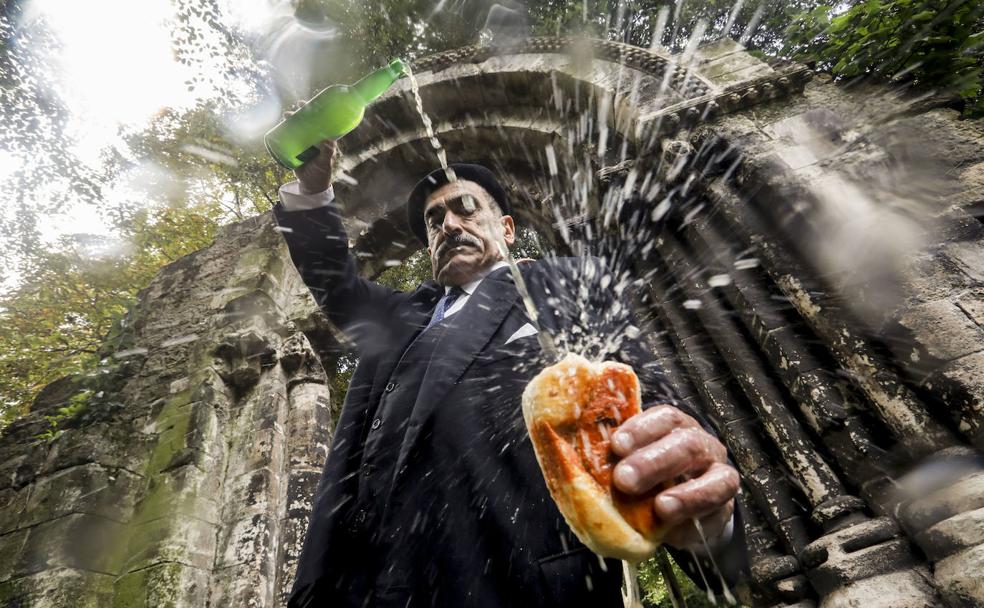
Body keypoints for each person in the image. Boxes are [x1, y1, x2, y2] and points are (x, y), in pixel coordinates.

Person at [273, 139, 745, 608]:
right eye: (434, 222)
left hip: (518, 581)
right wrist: (312, 189)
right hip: (361, 587)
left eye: (465, 209)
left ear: (508, 228)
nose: (448, 225)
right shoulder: (399, 317)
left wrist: (699, 510)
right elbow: (333, 279)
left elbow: (643, 399)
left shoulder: (563, 284)